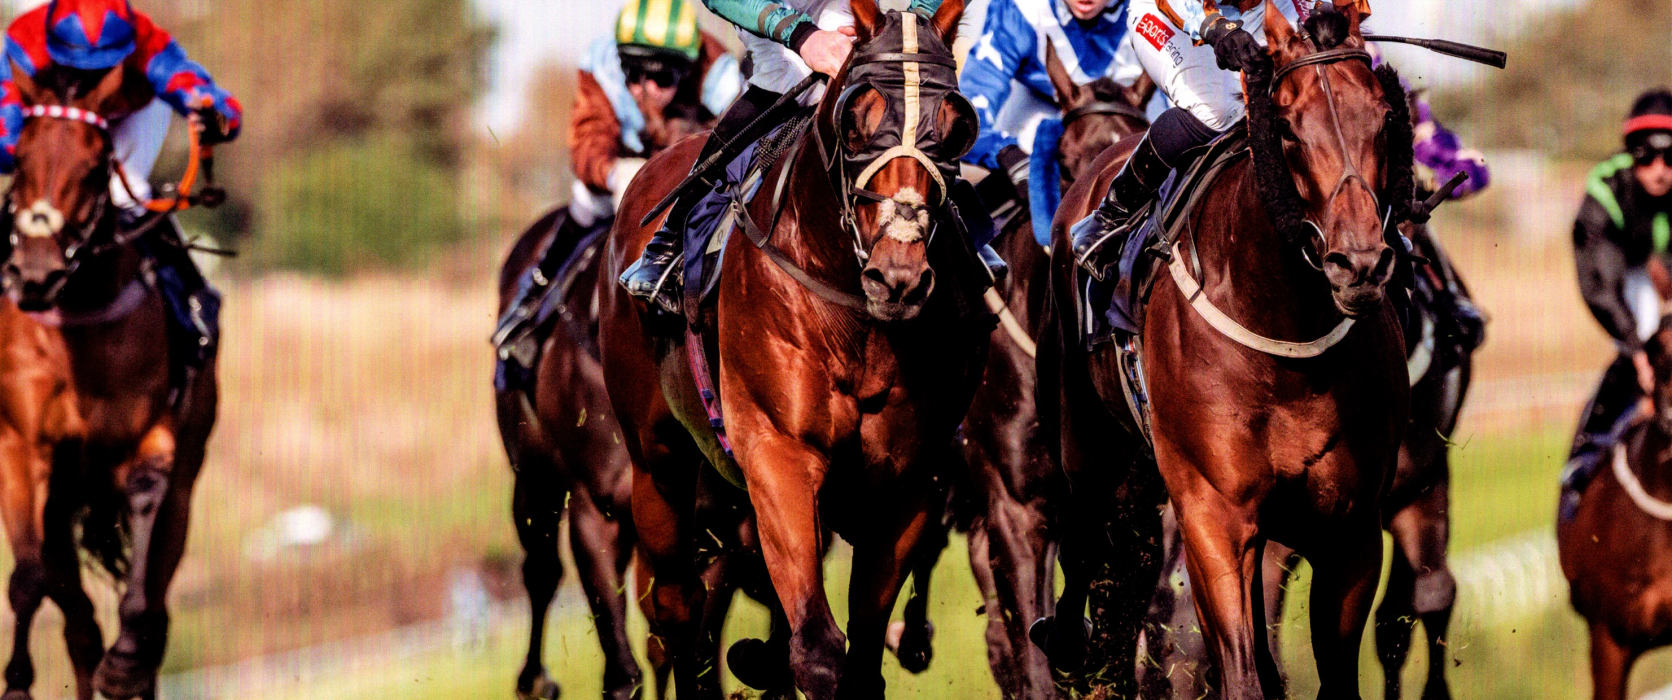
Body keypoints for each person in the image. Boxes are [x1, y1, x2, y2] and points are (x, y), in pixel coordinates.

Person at [618, 0, 1006, 310]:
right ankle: (667, 247)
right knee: (788, 77)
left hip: (845, 9)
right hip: (772, 12)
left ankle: (961, 226)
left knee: (908, 99)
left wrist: (919, 22)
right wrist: (802, 36)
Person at [0, 0, 241, 365]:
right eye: (74, 64)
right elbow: (7, 145)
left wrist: (214, 115)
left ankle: (191, 301)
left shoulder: (149, 43)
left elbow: (217, 108)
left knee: (128, 195)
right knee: (32, 191)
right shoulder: (24, 40)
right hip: (53, 120)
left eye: (101, 66)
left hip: (129, 114)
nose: (86, 77)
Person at [492, 0, 742, 347]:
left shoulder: (717, 71)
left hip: (688, 178)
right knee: (585, 203)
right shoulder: (600, 65)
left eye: (662, 77)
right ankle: (532, 295)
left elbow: (736, 140)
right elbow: (587, 143)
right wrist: (614, 173)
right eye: (632, 72)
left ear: (687, 70)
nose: (644, 88)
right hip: (620, 168)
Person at [1562, 89, 1672, 518]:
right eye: (1647, 158)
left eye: (1671, 158)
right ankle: (1587, 450)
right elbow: (1599, 284)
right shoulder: (1605, 187)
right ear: (1630, 155)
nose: (1660, 170)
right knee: (1640, 334)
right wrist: (1637, 350)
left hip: (1657, 264)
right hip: (1617, 273)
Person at [959, 0, 1141, 201]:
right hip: (1036, 117)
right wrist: (1006, 153)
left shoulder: (1154, 12)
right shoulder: (1021, 9)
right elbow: (964, 116)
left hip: (1130, 121)